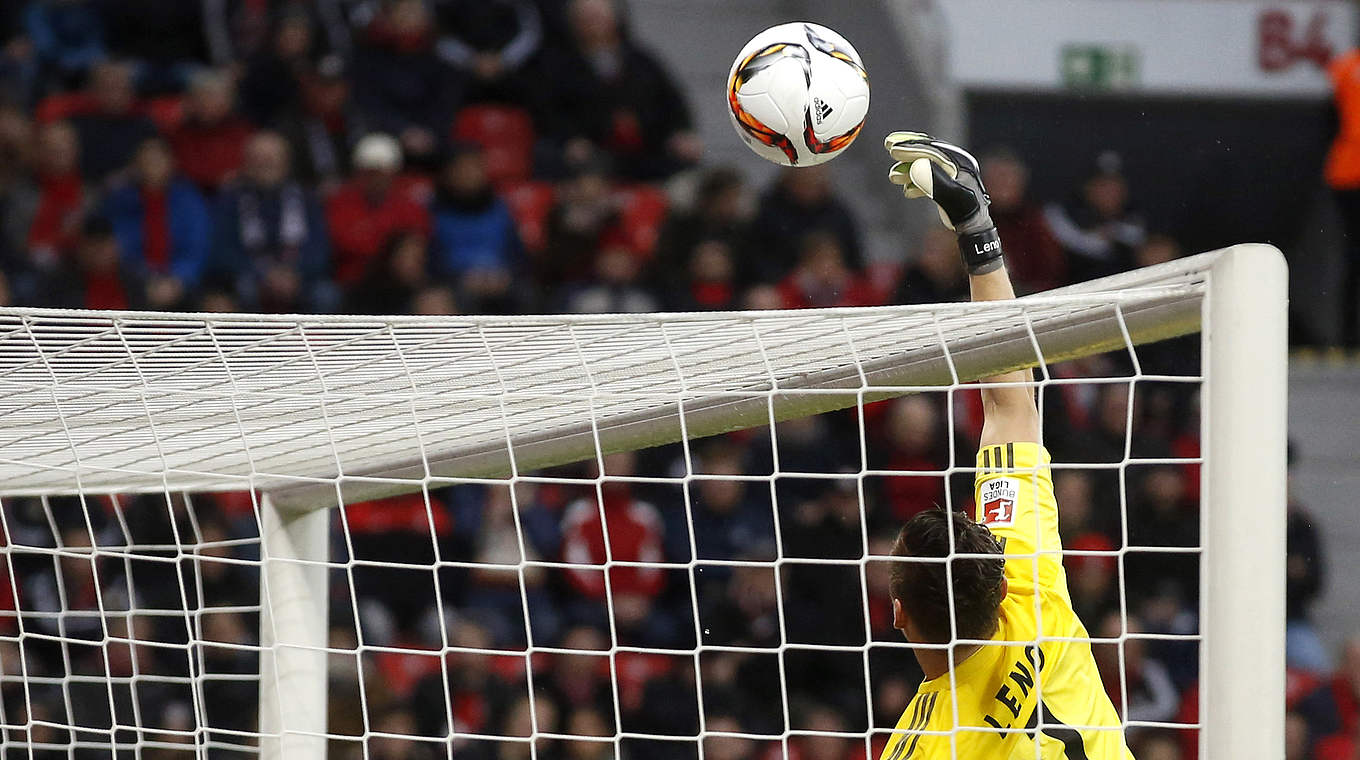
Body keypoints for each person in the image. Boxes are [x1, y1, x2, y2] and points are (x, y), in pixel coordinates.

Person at [877, 132, 1132, 758]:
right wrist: (976, 228)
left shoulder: (922, 747)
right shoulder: (1027, 583)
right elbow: (1010, 402)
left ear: (898, 614)